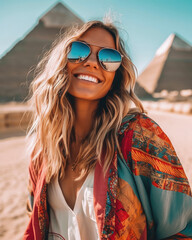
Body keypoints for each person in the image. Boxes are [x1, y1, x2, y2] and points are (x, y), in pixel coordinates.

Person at [23, 20, 192, 240]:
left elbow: (182, 229)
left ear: (116, 76)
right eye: (79, 51)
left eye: (108, 58)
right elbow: (32, 222)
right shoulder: (40, 152)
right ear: (61, 61)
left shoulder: (140, 136)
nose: (93, 63)